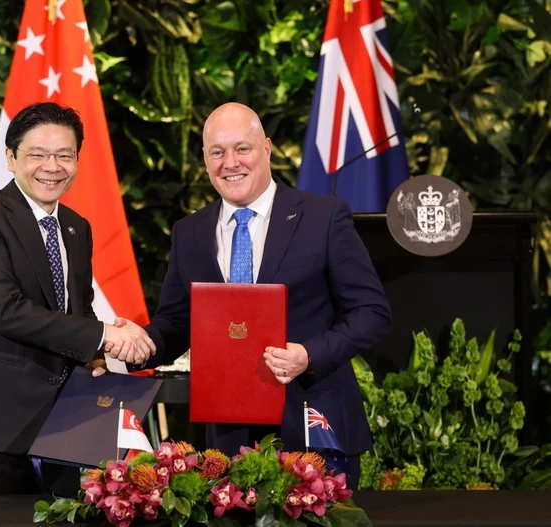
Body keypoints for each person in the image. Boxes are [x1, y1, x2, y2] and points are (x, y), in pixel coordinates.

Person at [113, 102, 392, 490]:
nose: (230, 163)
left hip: (314, 426)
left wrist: (309, 355)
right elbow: (177, 323)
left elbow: (372, 312)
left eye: (242, 148)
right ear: (205, 159)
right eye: (217, 152)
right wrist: (135, 344)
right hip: (228, 438)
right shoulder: (189, 232)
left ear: (267, 149)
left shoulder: (323, 218)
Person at [0, 102, 155, 496]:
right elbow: (6, 312)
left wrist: (95, 355)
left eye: (65, 155)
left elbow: (78, 310)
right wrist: (105, 334)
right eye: (37, 154)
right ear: (10, 158)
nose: (52, 167)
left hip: (64, 429)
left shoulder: (75, 227)